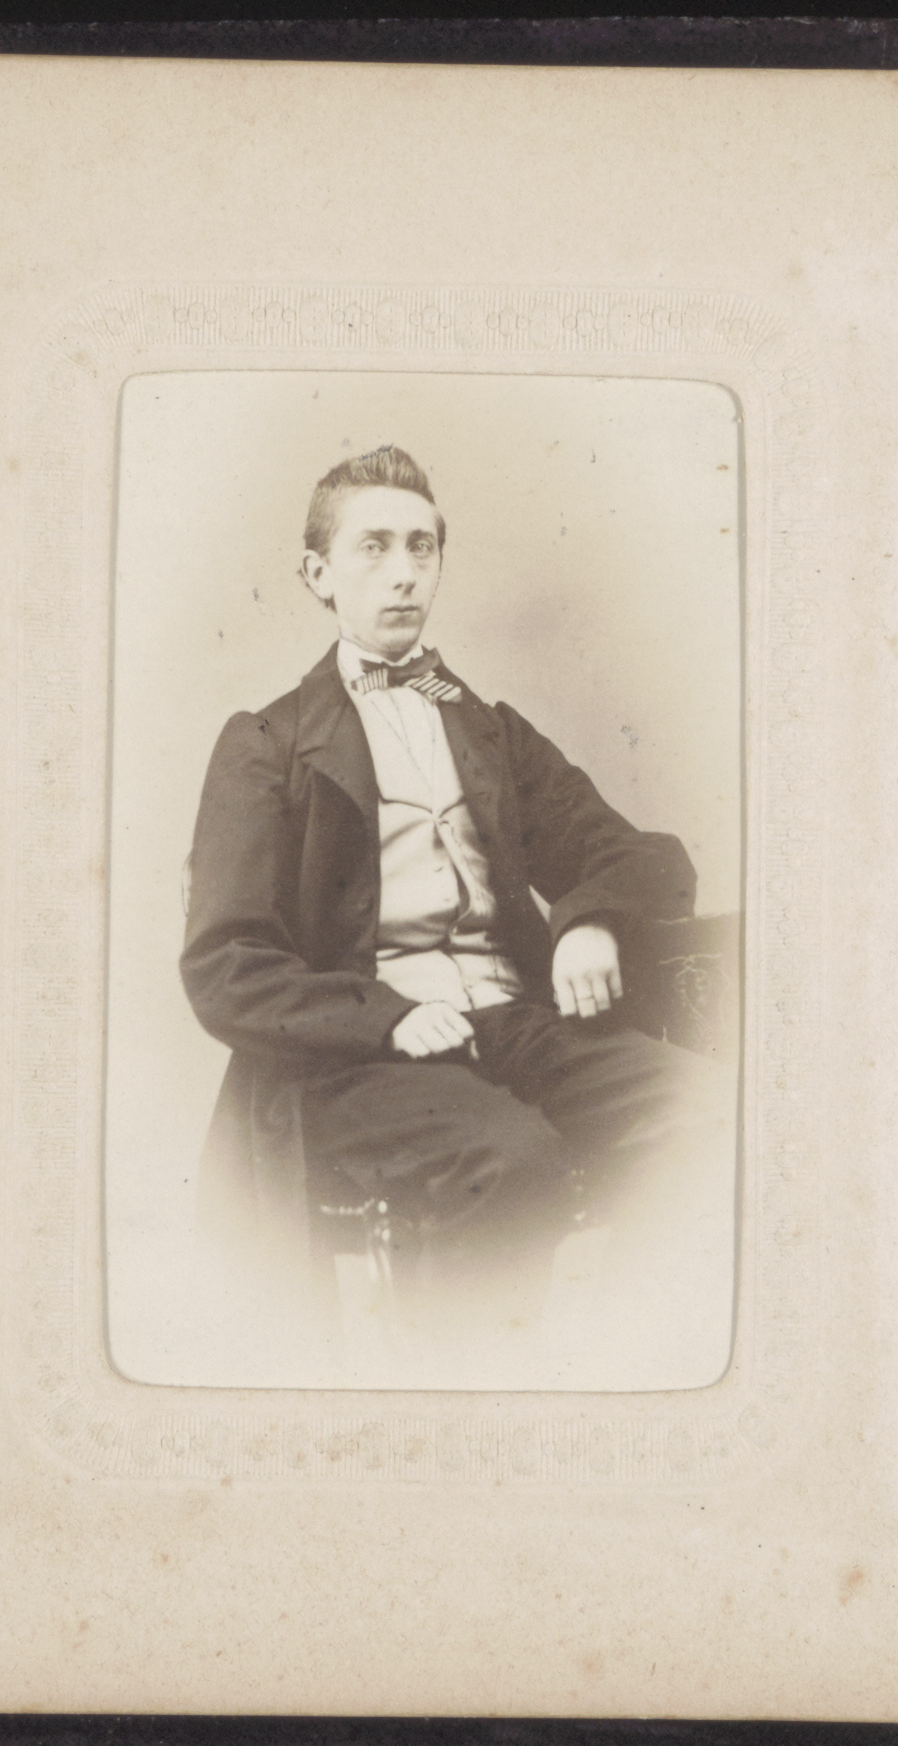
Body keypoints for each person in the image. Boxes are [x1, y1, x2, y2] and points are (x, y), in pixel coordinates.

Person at [181, 444, 729, 1340]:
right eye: (373, 548)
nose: (403, 573)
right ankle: (461, 1389)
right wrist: (385, 1020)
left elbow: (637, 856)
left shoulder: (490, 732)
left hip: (515, 1026)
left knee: (719, 1122)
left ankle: (614, 1355)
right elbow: (225, 965)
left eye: (421, 547)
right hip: (358, 1065)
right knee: (509, 1166)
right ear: (318, 575)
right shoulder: (266, 746)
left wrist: (590, 922)